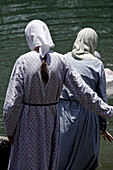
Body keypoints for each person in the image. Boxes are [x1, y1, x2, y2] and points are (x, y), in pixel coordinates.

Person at [3, 21, 113, 170]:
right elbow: (84, 93)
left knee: (26, 163)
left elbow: (11, 104)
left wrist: (10, 130)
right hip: (53, 122)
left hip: (28, 122)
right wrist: (108, 111)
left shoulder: (23, 61)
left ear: (30, 37)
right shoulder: (61, 61)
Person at [58, 28, 113, 170]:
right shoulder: (96, 64)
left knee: (62, 154)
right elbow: (101, 98)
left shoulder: (63, 58)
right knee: (86, 158)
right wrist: (103, 127)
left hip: (63, 112)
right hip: (87, 113)